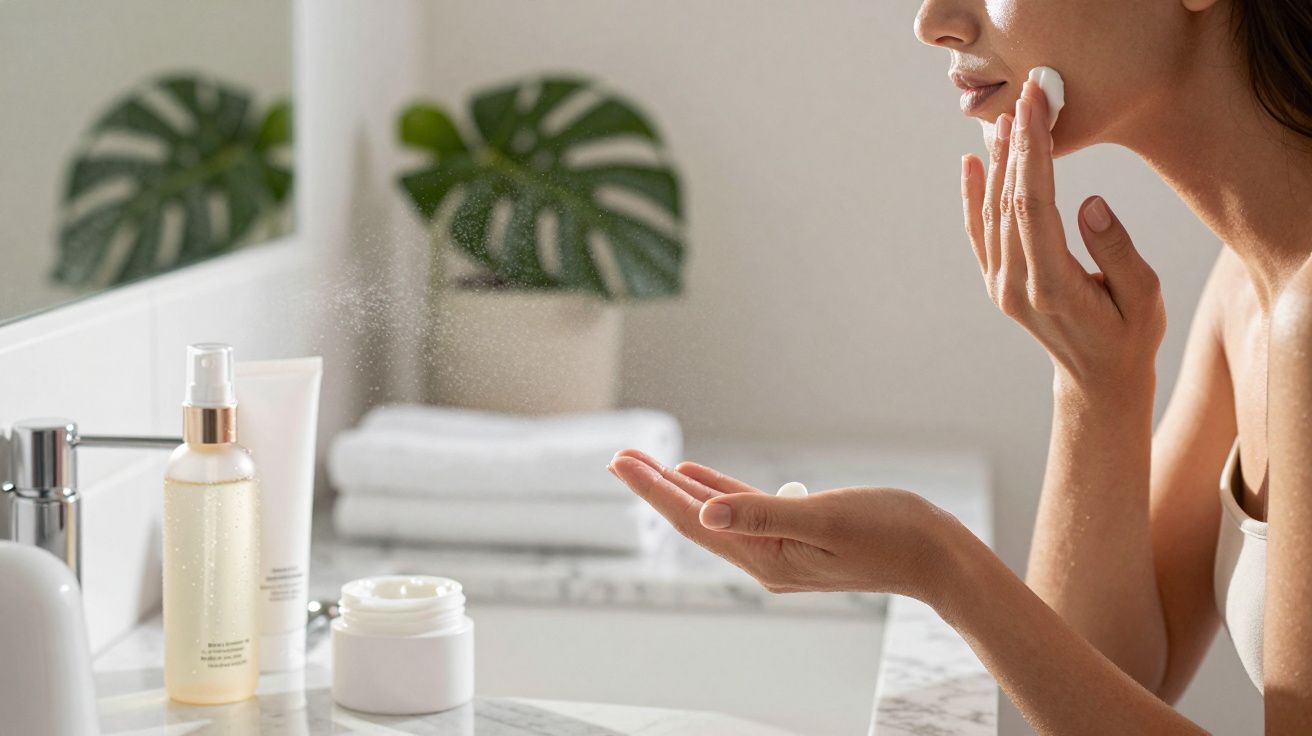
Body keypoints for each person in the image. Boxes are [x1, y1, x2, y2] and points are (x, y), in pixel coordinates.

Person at [607, 0, 1312, 732]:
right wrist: (1096, 383)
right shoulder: (1251, 285)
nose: (935, 19)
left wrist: (940, 564)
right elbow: (1116, 671)